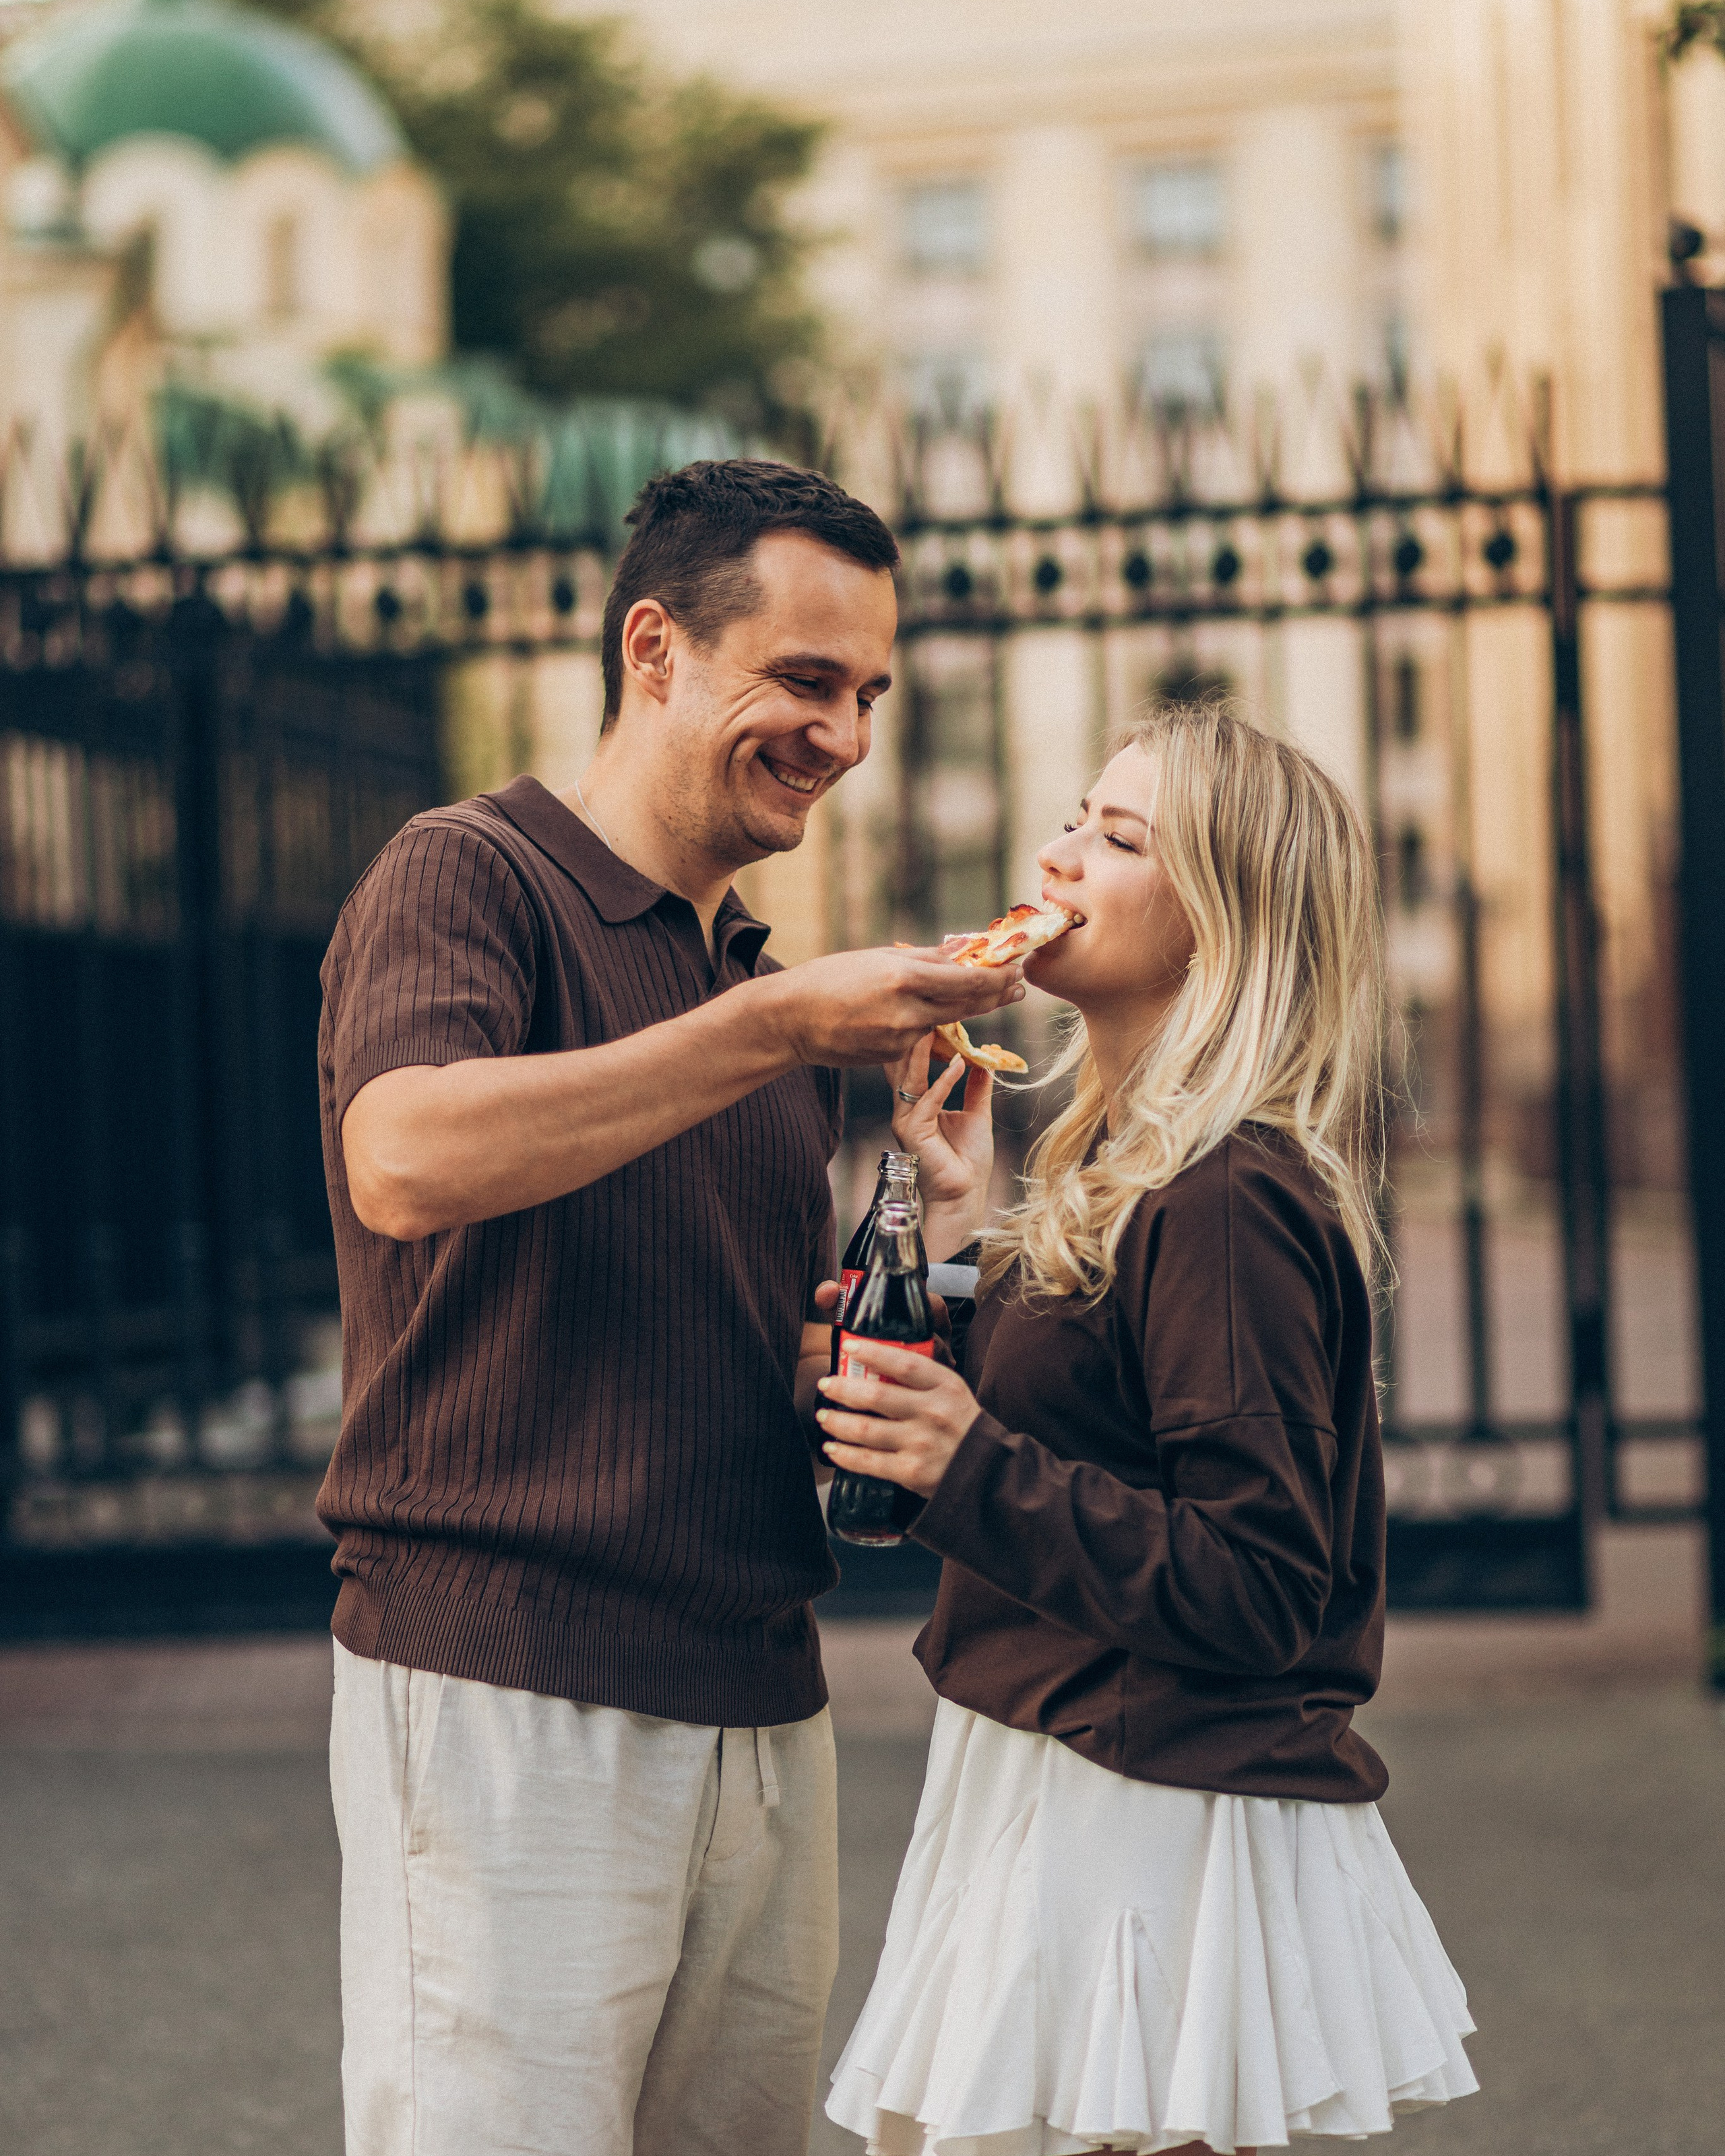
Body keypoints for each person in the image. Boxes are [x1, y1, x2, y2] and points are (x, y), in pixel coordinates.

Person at [315, 458, 1026, 2156]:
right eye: (800, 680)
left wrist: (932, 1242)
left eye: (865, 691)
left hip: (761, 1705)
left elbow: (737, 1346)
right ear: (654, 649)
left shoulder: (763, 998)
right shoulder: (468, 873)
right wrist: (776, 1035)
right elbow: (400, 1158)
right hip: (509, 1686)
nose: (842, 735)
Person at [817, 704, 1479, 2156]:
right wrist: (954, 1229)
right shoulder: (1126, 1164)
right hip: (1060, 1756)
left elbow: (1255, 1580)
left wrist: (962, 1462)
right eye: (1073, 816)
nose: (1055, 855)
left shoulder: (1228, 1198)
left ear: (1217, 925)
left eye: (1116, 839)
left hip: (1150, 1805)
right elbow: (1096, 1420)